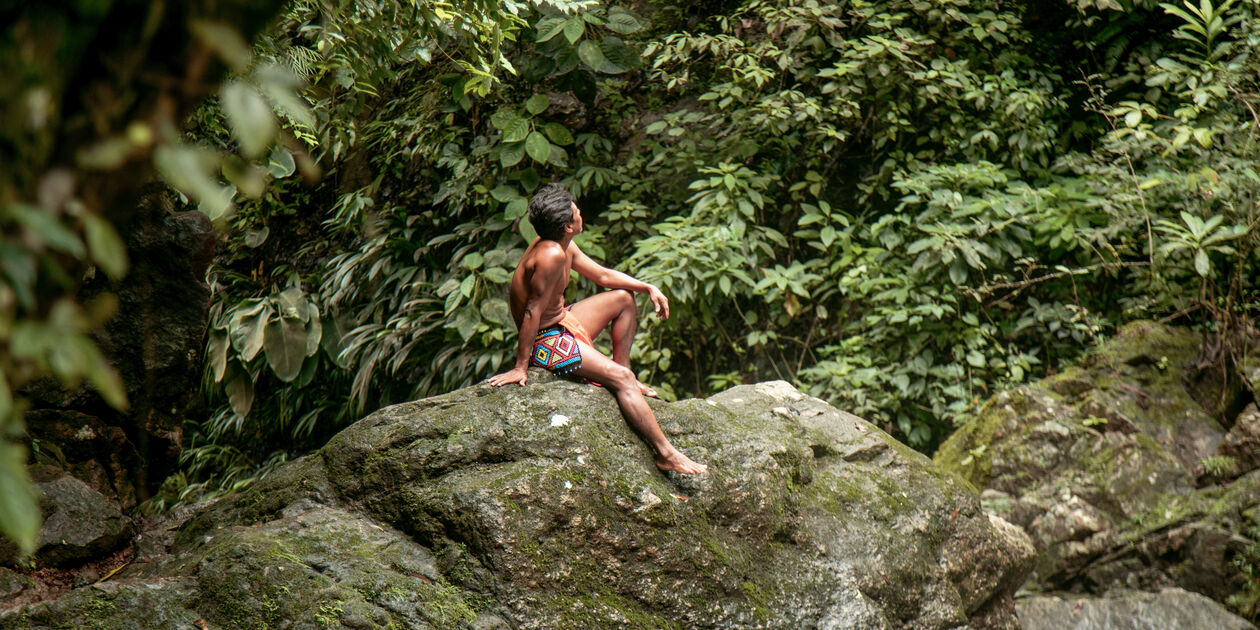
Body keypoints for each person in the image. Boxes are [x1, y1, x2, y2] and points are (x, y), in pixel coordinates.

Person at [486, 183, 707, 475]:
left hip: (562, 320)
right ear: (567, 226)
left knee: (623, 300)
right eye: (575, 211)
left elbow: (602, 275)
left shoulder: (561, 243)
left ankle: (622, 374)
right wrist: (520, 366)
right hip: (545, 339)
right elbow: (531, 311)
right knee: (622, 379)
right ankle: (667, 454)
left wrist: (648, 287)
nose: (579, 211)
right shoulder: (550, 254)